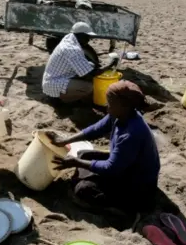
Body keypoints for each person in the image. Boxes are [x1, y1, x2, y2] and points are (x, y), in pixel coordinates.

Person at [49, 80, 160, 214]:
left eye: (111, 104)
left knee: (83, 189)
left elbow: (110, 168)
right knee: (84, 154)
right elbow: (97, 129)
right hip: (126, 166)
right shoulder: (121, 114)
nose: (107, 106)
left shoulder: (131, 134)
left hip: (137, 183)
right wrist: (66, 140)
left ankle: (120, 209)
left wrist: (75, 163)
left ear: (124, 105)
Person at [42, 21, 118, 103]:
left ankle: (67, 96)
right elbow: (89, 75)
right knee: (89, 87)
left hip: (57, 78)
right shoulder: (71, 49)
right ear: (80, 35)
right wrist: (109, 65)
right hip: (54, 84)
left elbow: (86, 63)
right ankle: (61, 100)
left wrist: (99, 66)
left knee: (91, 65)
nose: (89, 39)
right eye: (87, 37)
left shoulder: (69, 38)